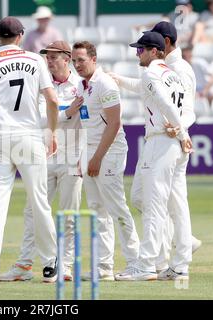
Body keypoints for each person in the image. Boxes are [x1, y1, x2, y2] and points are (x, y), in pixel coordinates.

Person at [0, 16, 59, 285]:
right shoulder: (35, 60)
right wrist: (51, 133)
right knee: (39, 201)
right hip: (29, 135)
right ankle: (49, 265)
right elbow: (52, 100)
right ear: (20, 35)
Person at [111, 21, 202, 277]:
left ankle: (148, 263)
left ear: (157, 48)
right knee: (159, 201)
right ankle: (178, 262)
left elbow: (171, 105)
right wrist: (116, 79)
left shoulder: (165, 71)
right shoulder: (167, 72)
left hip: (162, 140)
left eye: (141, 49)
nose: (137, 53)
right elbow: (147, 90)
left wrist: (182, 131)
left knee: (155, 204)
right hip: (170, 141)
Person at [0, 41, 83, 282]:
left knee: (69, 214)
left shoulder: (79, 85)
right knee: (32, 211)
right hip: (44, 154)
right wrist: (67, 112)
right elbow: (37, 119)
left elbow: (85, 117)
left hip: (72, 157)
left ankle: (64, 265)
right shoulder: (38, 83)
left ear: (67, 58)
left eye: (54, 56)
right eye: (47, 56)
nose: (49, 60)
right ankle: (24, 265)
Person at [70, 41, 140, 281]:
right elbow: (84, 123)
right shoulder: (81, 86)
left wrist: (97, 158)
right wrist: (83, 157)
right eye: (74, 60)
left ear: (93, 59)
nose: (77, 65)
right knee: (98, 210)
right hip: (90, 151)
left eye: (81, 60)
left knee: (117, 207)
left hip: (110, 151)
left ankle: (135, 262)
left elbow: (114, 123)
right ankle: (103, 267)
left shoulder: (105, 83)